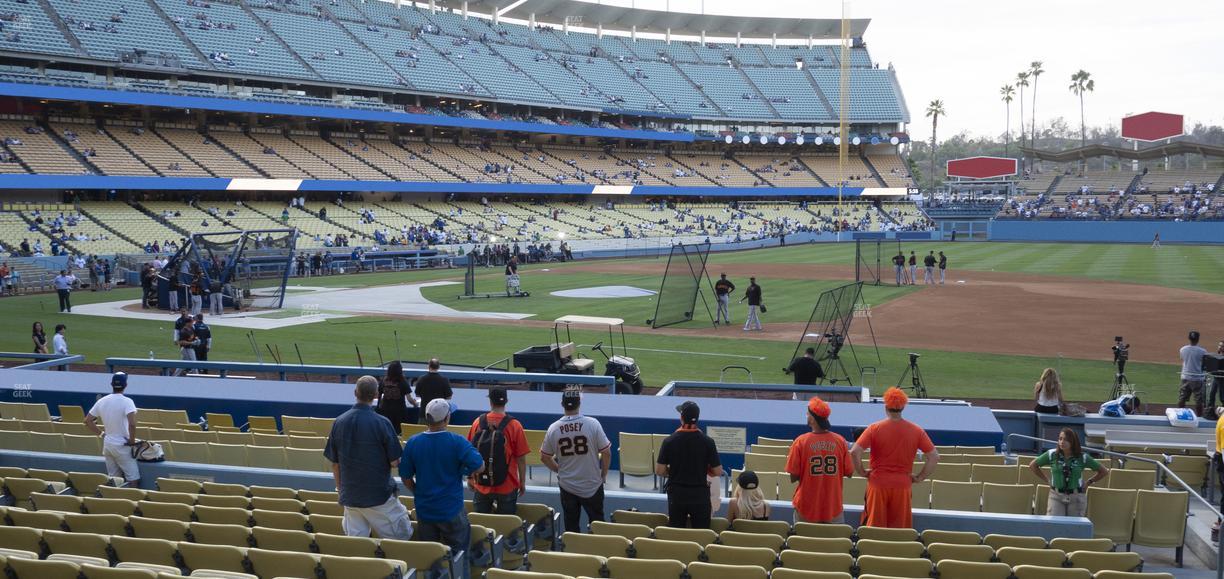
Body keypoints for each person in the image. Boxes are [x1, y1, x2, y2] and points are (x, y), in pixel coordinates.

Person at [324, 376, 413, 540]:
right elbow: (395, 462)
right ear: (376, 395)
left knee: (358, 551)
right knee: (402, 542)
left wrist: (341, 491)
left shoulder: (339, 421)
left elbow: (335, 464)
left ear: (355, 392)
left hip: (350, 498)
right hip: (379, 497)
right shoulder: (382, 423)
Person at [400, 399, 484, 555]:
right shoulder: (457, 441)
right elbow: (480, 466)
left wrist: (418, 492)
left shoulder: (413, 442)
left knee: (431, 560)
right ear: (447, 418)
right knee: (459, 559)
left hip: (425, 511)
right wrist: (463, 471)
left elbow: (405, 477)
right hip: (451, 510)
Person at [850, 387, 939, 528]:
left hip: (877, 484)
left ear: (886, 407)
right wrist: (920, 477)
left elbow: (854, 452)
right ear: (903, 407)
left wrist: (861, 472)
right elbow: (934, 457)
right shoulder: (916, 430)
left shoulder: (874, 428)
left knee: (874, 530)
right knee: (899, 530)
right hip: (902, 485)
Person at [541, 386, 611, 533]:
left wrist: (559, 470)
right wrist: (603, 474)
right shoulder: (593, 424)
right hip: (592, 484)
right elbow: (607, 453)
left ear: (562, 404)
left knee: (571, 527)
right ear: (579, 403)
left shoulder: (553, 428)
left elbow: (545, 457)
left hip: (567, 486)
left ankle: (573, 555)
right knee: (598, 526)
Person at [655, 401, 723, 528]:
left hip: (677, 495)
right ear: (697, 419)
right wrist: (703, 469)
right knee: (702, 535)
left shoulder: (669, 441)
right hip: (700, 495)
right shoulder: (708, 441)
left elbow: (659, 470)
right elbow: (718, 472)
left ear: (681, 418)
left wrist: (673, 471)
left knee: (676, 534)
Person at [787, 396, 852, 523]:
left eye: (807, 414)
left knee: (803, 542)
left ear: (812, 418)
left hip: (806, 508)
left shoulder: (801, 441)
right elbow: (849, 472)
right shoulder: (840, 441)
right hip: (833, 507)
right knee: (833, 542)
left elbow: (793, 476)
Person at [467, 388, 530, 515]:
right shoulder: (515, 425)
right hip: (507, 485)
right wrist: (522, 482)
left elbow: (470, 453)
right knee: (506, 529)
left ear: (490, 401)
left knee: (482, 527)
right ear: (506, 401)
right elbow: (521, 459)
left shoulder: (477, 422)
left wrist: (470, 477)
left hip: (482, 483)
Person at [1029, 427, 1108, 517]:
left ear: (1073, 442)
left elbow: (1104, 471)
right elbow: (1033, 465)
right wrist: (1047, 480)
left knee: (1074, 527)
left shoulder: (1083, 457)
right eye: (1060, 439)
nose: (1062, 442)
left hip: (1076, 496)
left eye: (1066, 440)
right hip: (1056, 496)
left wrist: (1089, 482)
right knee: (1054, 525)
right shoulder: (1052, 454)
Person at [84, 372, 139, 487]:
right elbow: (132, 424)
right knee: (133, 479)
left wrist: (102, 434)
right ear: (126, 385)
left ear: (111, 384)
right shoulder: (128, 402)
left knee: (114, 479)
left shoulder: (102, 401)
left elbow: (88, 421)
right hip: (122, 445)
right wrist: (132, 441)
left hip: (108, 444)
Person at [377, 361, 417, 434]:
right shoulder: (403, 381)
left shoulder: (383, 380)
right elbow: (409, 399)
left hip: (385, 411)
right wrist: (415, 404)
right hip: (399, 413)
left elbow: (378, 395)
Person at [1178, 331, 1209, 416]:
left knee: (1182, 398)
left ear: (1189, 338)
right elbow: (1204, 363)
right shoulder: (1203, 351)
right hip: (1197, 378)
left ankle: (1181, 415)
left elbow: (1183, 359)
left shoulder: (1183, 349)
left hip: (1185, 377)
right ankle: (1199, 417)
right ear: (1198, 339)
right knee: (1198, 400)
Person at [414, 358, 453, 423]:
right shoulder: (444, 380)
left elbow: (417, 394)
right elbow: (449, 396)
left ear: (429, 366)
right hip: (440, 415)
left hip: (424, 414)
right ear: (438, 367)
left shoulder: (422, 379)